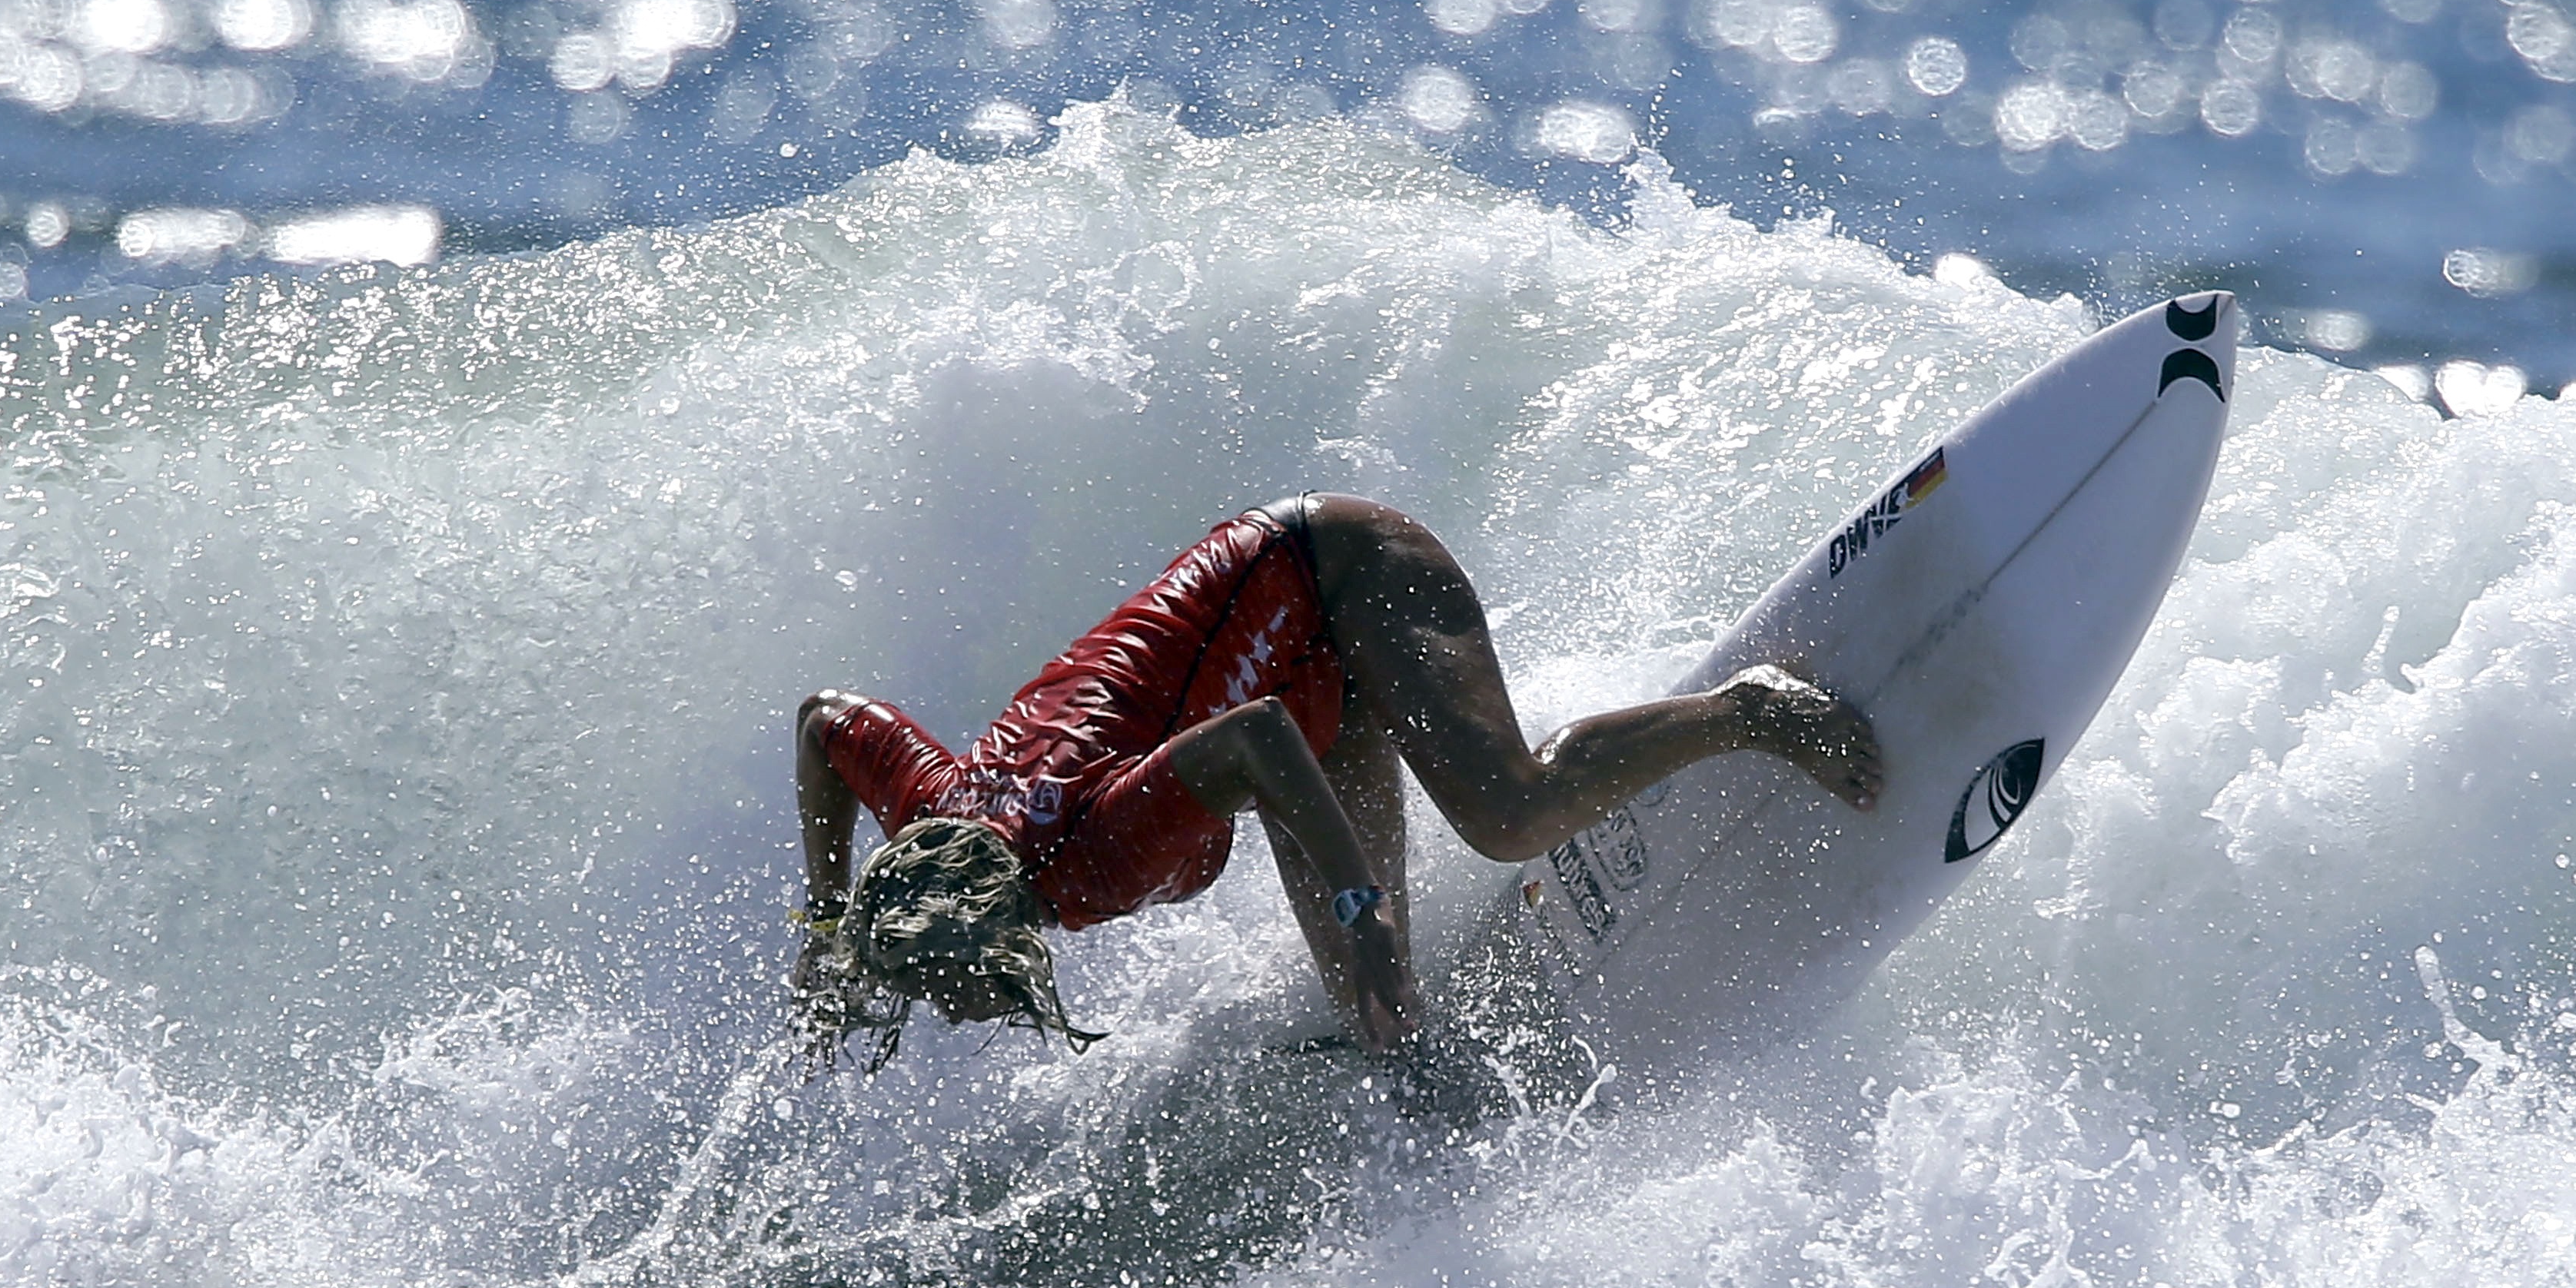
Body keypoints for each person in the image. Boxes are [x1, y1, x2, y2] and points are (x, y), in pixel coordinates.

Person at [789, 493, 1880, 1061]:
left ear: (999, 934)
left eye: (954, 989)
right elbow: (824, 719)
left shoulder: (1098, 847)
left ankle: (1752, 711)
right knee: (1377, 1018)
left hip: (1343, 573)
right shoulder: (937, 817)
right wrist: (831, 921)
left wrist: (1360, 909)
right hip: (1307, 682)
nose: (958, 1013)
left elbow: (1257, 738)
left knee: (1509, 815)